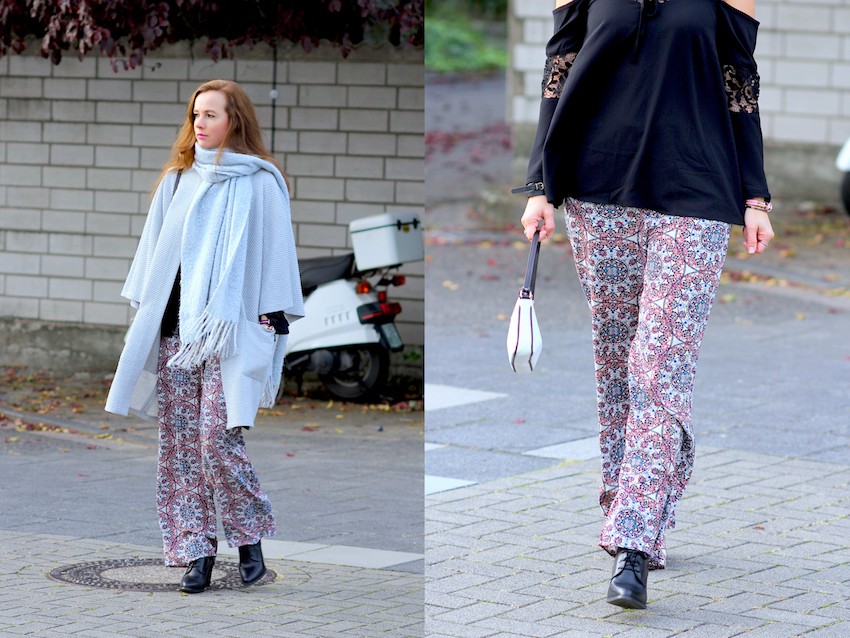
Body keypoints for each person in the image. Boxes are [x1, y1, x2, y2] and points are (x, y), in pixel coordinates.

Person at [518, 0, 774, 609]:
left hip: (697, 191)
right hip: (597, 191)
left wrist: (755, 197)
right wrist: (539, 187)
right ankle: (626, 505)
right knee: (616, 363)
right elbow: (559, 71)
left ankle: (633, 542)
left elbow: (741, 86)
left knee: (660, 369)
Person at [105, 79, 304, 593]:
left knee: (217, 438)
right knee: (179, 447)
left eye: (211, 114)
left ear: (235, 120)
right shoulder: (177, 181)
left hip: (229, 334)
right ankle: (196, 551)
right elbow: (152, 261)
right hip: (177, 333)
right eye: (196, 114)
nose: (199, 123)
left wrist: (270, 322)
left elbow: (276, 258)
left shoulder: (261, 182)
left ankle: (249, 537)